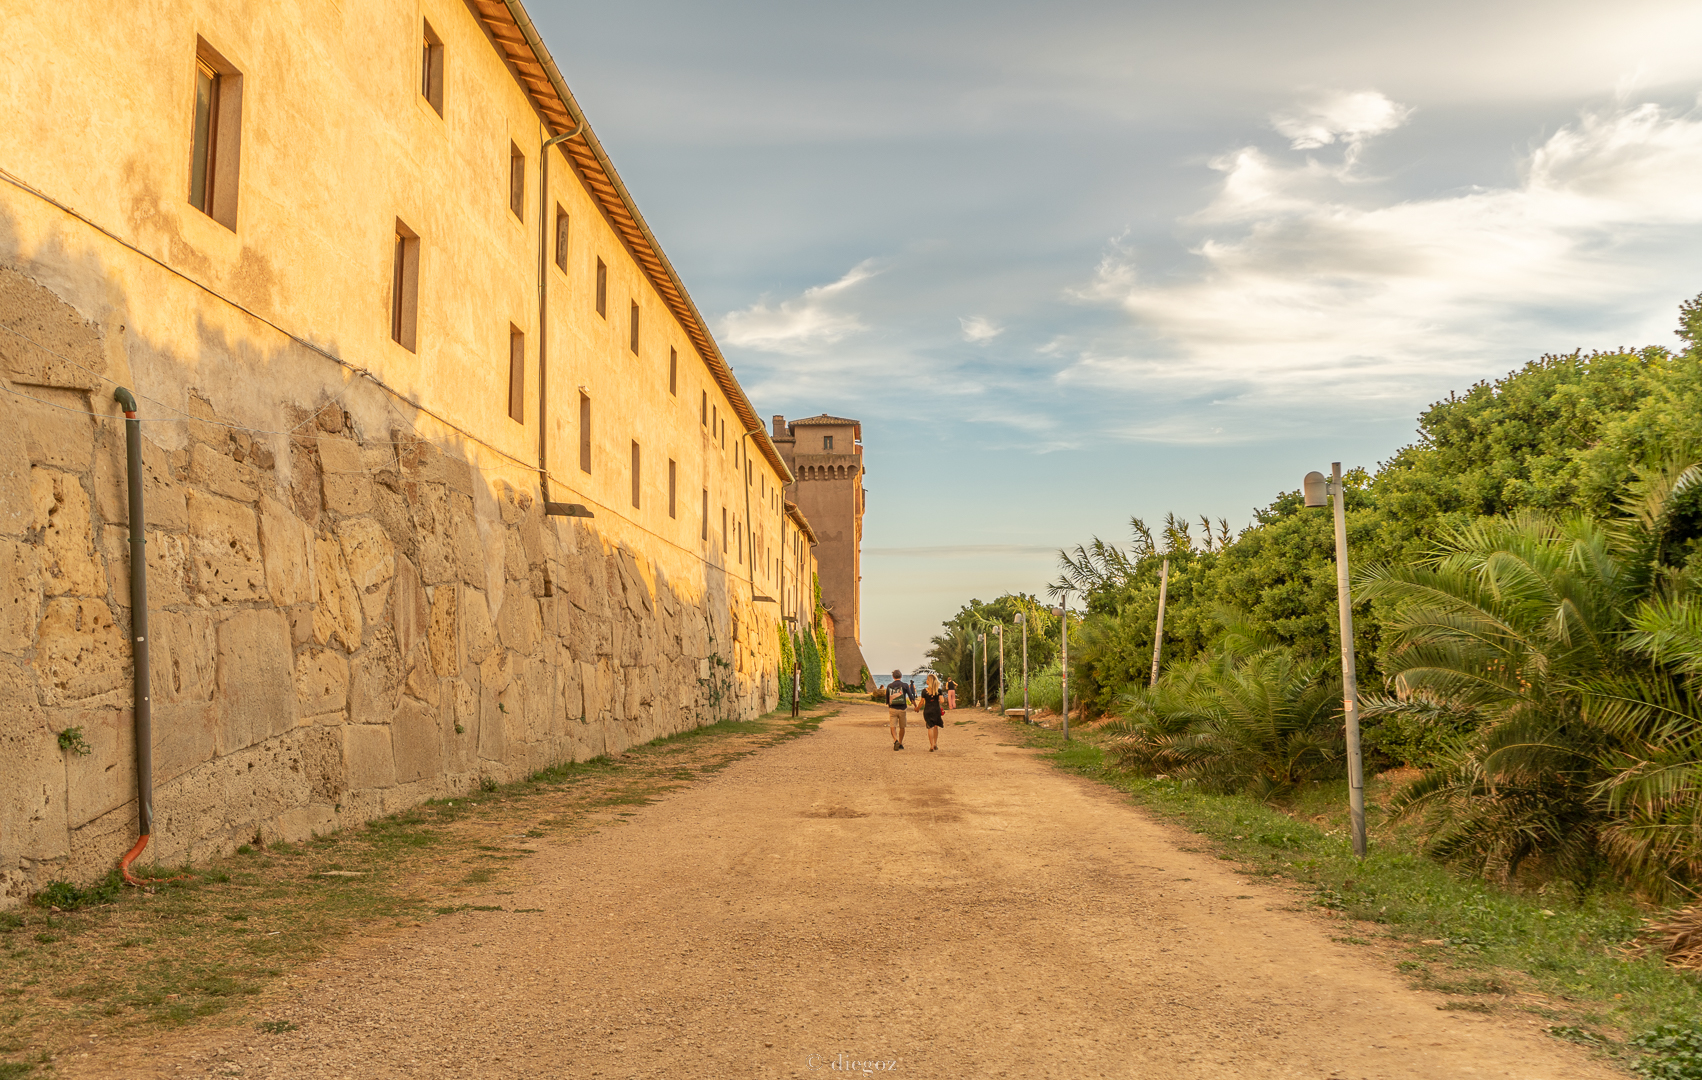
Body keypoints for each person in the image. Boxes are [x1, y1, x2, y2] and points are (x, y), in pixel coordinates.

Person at [884, 669, 910, 751]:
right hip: (902, 709)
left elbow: (887, 699)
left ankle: (895, 740)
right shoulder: (905, 685)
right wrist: (915, 705)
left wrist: (889, 706)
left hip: (893, 709)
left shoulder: (889, 686)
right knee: (902, 727)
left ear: (893, 677)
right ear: (901, 676)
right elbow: (911, 696)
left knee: (893, 726)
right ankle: (901, 743)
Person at [920, 673, 946, 751]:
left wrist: (917, 708)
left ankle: (931, 745)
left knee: (929, 727)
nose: (926, 681)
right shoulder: (939, 691)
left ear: (929, 681)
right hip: (936, 710)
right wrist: (936, 700)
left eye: (927, 680)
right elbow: (942, 701)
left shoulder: (924, 691)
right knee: (935, 726)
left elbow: (921, 702)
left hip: (927, 710)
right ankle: (935, 743)